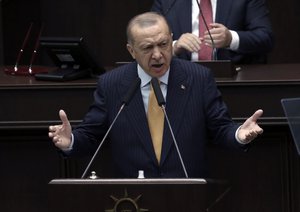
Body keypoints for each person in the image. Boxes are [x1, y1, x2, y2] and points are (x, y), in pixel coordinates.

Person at [49, 12, 263, 178]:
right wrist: (70, 141)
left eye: (163, 44)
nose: (158, 55)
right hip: (131, 198)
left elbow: (220, 128)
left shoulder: (198, 78)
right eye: (147, 48)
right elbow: (92, 135)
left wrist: (238, 135)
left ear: (171, 40)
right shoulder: (112, 84)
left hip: (188, 194)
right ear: (131, 51)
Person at [151, 0, 274, 64]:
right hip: (181, 79)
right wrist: (174, 46)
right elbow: (147, 40)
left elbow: (265, 38)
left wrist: (231, 38)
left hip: (232, 79)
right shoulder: (167, 2)